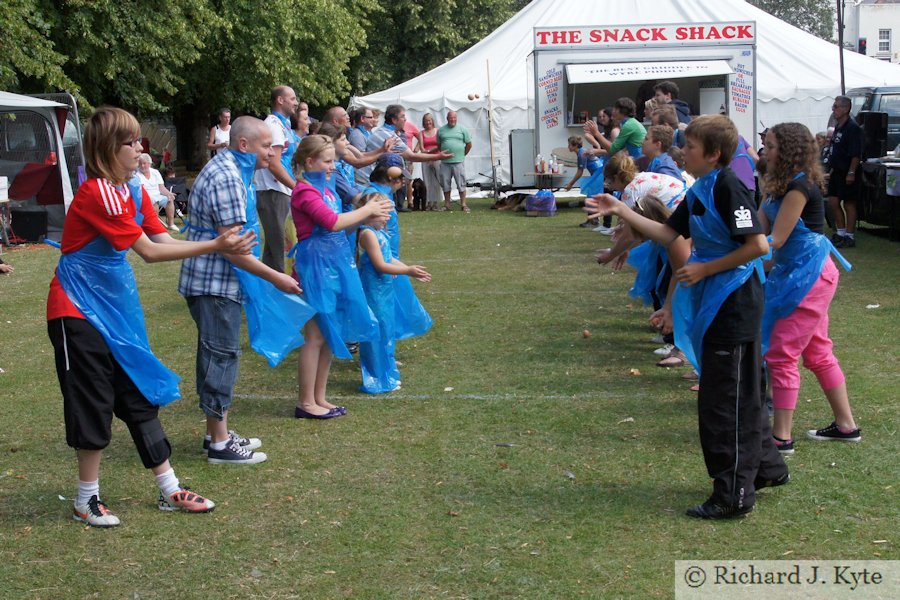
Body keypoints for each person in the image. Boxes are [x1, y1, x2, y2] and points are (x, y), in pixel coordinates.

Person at [47, 106, 258, 527]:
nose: (139, 148)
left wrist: (213, 240)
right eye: (129, 142)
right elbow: (149, 252)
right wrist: (215, 245)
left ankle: (169, 489)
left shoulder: (133, 189)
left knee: (139, 396)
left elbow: (163, 236)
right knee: (93, 402)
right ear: (108, 148)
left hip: (114, 309)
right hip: (76, 310)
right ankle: (85, 499)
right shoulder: (99, 192)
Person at [586, 115, 789, 520]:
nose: (684, 151)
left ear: (714, 154)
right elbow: (667, 233)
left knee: (723, 399)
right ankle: (766, 467)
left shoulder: (729, 187)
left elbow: (759, 246)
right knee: (742, 390)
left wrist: (705, 270)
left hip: (735, 299)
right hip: (722, 297)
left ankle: (733, 494)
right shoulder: (701, 188)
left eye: (691, 146)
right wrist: (621, 210)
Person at [180, 116, 309, 464]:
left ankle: (216, 433)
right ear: (244, 145)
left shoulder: (236, 170)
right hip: (214, 284)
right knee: (220, 355)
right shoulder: (227, 177)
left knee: (221, 353)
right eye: (267, 146)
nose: (273, 152)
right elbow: (232, 247)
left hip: (222, 282)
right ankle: (220, 445)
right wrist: (276, 278)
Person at [758, 122, 859, 455]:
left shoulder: (799, 187)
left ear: (787, 150)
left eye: (770, 146)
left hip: (809, 276)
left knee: (781, 354)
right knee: (816, 352)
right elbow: (759, 230)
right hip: (794, 273)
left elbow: (776, 239)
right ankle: (846, 426)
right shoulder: (776, 186)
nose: (764, 151)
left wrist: (737, 256)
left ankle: (781, 438)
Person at [290, 135, 394, 418]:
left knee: (328, 333)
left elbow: (338, 229)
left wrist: (364, 219)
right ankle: (305, 402)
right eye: (327, 161)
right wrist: (366, 210)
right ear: (309, 162)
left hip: (334, 265)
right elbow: (331, 222)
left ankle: (319, 397)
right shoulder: (304, 191)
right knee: (314, 336)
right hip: (315, 269)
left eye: (333, 160)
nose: (332, 166)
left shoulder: (327, 190)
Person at [356, 192, 433, 393]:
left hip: (385, 290)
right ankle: (376, 376)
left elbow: (389, 259)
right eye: (383, 213)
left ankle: (386, 368)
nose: (387, 217)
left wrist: (410, 270)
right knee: (377, 329)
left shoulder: (380, 233)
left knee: (387, 327)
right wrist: (407, 270)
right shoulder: (367, 234)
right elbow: (381, 265)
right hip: (374, 290)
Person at [254, 85, 300, 273]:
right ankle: (279, 291)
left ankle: (270, 290)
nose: (296, 103)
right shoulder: (273, 125)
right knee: (279, 244)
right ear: (280, 100)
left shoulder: (283, 125)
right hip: (274, 191)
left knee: (275, 246)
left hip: (281, 190)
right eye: (293, 98)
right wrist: (296, 187)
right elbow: (273, 164)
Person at [359, 104, 452, 184]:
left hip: (370, 178)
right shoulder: (390, 137)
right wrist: (438, 157)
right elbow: (412, 156)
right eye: (403, 116)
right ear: (394, 120)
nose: (405, 119)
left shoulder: (381, 132)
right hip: (371, 180)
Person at [826, 96, 863, 248]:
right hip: (837, 171)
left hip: (848, 171)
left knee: (849, 203)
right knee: (833, 201)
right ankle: (840, 232)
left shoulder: (853, 128)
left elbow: (856, 153)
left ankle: (849, 235)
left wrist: (851, 172)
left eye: (836, 107)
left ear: (846, 108)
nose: (833, 109)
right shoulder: (838, 127)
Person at [437, 111, 472, 212]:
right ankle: (447, 204)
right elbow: (439, 145)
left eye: (454, 118)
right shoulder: (441, 130)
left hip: (458, 161)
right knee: (445, 183)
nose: (452, 120)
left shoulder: (462, 129)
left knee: (461, 183)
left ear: (456, 118)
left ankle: (463, 204)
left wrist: (462, 154)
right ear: (447, 118)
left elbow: (469, 144)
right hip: (445, 162)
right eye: (450, 118)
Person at [135, 153, 179, 232]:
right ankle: (155, 225)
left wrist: (169, 194)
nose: (142, 166)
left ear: (149, 163)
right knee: (154, 201)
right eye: (140, 164)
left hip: (158, 195)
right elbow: (140, 191)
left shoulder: (155, 172)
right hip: (145, 197)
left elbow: (161, 188)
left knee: (169, 199)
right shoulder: (137, 174)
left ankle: (171, 224)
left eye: (144, 163)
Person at [419, 113, 443, 211]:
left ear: (432, 121)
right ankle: (428, 202)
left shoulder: (438, 131)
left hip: (437, 158)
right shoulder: (421, 133)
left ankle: (436, 202)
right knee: (427, 181)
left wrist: (431, 153)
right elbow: (421, 147)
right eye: (426, 121)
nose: (428, 122)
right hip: (425, 159)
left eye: (429, 120)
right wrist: (428, 155)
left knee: (436, 181)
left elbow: (440, 145)